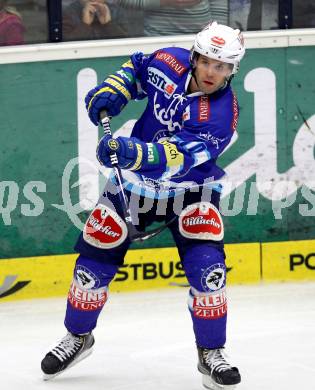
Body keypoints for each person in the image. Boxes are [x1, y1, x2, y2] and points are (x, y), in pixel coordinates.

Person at [41, 21, 245, 389]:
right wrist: (113, 91)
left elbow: (176, 158)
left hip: (192, 191)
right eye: (208, 62)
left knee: (208, 272)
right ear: (195, 57)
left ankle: (211, 353)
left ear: (233, 70)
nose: (213, 72)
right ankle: (77, 337)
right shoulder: (169, 60)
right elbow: (136, 68)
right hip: (133, 187)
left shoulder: (220, 115)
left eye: (223, 66)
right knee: (91, 266)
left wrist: (131, 151)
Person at [116, 0, 228, 36]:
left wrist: (217, 33)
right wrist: (165, 1)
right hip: (156, 39)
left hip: (202, 41)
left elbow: (218, 3)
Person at [63, 0, 127, 41]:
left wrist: (108, 24)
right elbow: (65, 46)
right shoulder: (68, 12)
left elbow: (126, 43)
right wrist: (85, 25)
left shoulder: (117, 11)